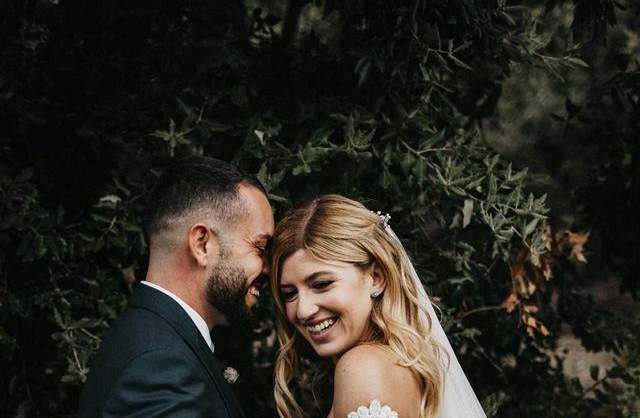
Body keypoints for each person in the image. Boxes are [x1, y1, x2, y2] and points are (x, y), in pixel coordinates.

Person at [79, 155, 274, 418]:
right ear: (202, 244)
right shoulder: (159, 366)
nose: (268, 269)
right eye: (260, 247)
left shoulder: (152, 339)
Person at [270, 194, 486, 418]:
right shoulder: (398, 364)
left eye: (322, 284)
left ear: (376, 278)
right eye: (290, 294)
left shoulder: (363, 368)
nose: (303, 310)